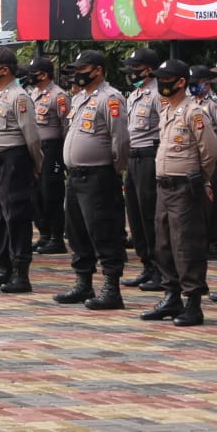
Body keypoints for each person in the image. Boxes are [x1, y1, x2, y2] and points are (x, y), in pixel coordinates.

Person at [142, 58, 217, 326]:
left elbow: (209, 151)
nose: (162, 83)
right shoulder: (166, 111)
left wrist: (203, 180)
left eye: (166, 79)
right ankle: (171, 296)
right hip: (164, 186)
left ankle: (193, 303)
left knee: (187, 244)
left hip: (186, 187)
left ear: (181, 82)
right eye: (159, 78)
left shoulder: (194, 113)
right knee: (163, 244)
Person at [55, 50, 129, 310]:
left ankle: (111, 287)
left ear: (97, 69)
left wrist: (114, 171)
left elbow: (120, 140)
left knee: (104, 230)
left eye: (82, 68)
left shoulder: (110, 99)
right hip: (75, 177)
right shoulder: (79, 99)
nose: (78, 73)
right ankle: (83, 282)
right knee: (76, 231)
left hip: (98, 175)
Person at [0, 47, 43, 294]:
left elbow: (32, 138)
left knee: (15, 217)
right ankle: (2, 268)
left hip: (13, 162)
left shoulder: (19, 97)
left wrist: (36, 165)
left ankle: (20, 273)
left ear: (4, 70)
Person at [123, 47, 165, 291]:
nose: (131, 73)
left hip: (150, 156)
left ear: (148, 69)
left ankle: (160, 270)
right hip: (133, 157)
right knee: (136, 215)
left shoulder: (159, 93)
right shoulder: (136, 94)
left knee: (150, 215)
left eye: (135, 68)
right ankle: (146, 266)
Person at [28, 57, 70, 255]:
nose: (29, 76)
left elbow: (66, 127)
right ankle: (44, 234)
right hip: (36, 148)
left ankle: (56, 237)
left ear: (44, 74)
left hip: (52, 148)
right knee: (36, 194)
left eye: (33, 72)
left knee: (51, 192)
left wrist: (62, 156)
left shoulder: (59, 96)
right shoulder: (33, 94)